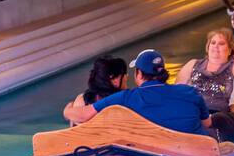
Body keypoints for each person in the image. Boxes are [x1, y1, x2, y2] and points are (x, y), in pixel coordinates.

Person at [63, 49, 211, 134]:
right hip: (200, 151)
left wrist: (67, 109)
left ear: (139, 74)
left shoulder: (125, 99)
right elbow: (207, 122)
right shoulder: (189, 91)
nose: (127, 76)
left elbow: (82, 115)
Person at [175, 28, 234, 115]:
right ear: (208, 46)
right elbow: (176, 92)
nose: (216, 46)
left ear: (230, 49)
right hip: (191, 112)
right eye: (213, 43)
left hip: (219, 115)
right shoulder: (192, 64)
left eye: (221, 43)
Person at [63, 56, 127, 125]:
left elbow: (77, 122)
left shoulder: (81, 101)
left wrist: (67, 111)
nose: (126, 76)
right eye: (124, 74)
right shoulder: (122, 100)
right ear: (115, 80)